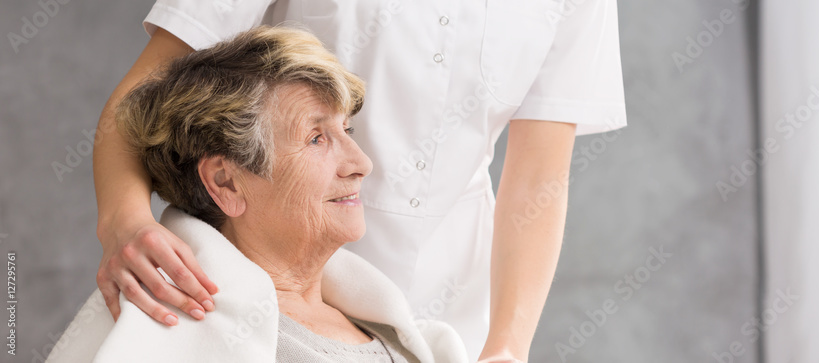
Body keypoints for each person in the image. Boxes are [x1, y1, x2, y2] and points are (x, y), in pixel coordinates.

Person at [92, 1, 627, 361]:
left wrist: (508, 345)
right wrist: (126, 223)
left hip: (453, 302)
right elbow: (141, 98)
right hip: (268, 284)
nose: (360, 162)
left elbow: (539, 176)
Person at [51, 26, 466, 363]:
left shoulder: (397, 335)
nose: (361, 163)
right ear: (226, 183)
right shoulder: (184, 340)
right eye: (317, 138)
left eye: (347, 131)